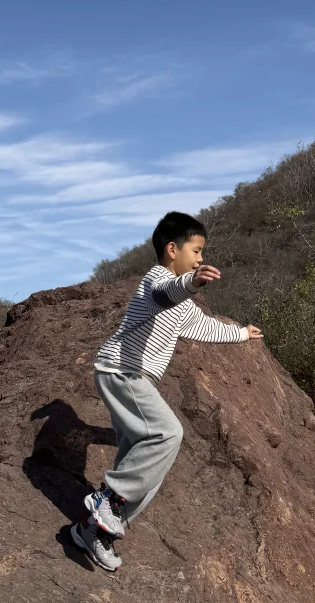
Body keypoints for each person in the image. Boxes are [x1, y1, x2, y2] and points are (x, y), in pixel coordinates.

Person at [72, 211, 263, 573]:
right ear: (173, 250)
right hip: (122, 371)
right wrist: (191, 282)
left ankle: (93, 532)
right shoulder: (156, 281)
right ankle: (108, 498)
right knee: (168, 433)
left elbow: (206, 328)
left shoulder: (183, 307)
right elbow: (167, 293)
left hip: (134, 378)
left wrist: (241, 334)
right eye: (197, 251)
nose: (201, 258)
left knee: (147, 466)